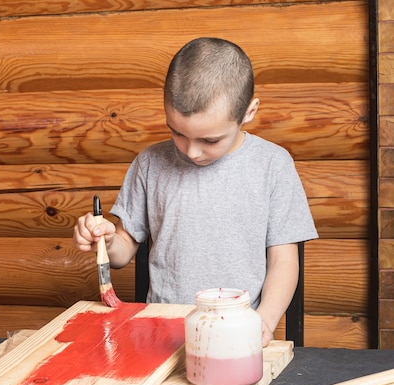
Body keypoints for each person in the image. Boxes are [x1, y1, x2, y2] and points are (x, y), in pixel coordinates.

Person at [73, 37, 318, 347]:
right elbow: (123, 251)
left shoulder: (273, 165)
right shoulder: (149, 163)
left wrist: (264, 321)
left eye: (211, 140)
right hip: (161, 331)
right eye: (177, 132)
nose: (191, 151)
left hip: (236, 334)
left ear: (249, 111)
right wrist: (106, 240)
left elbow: (284, 261)